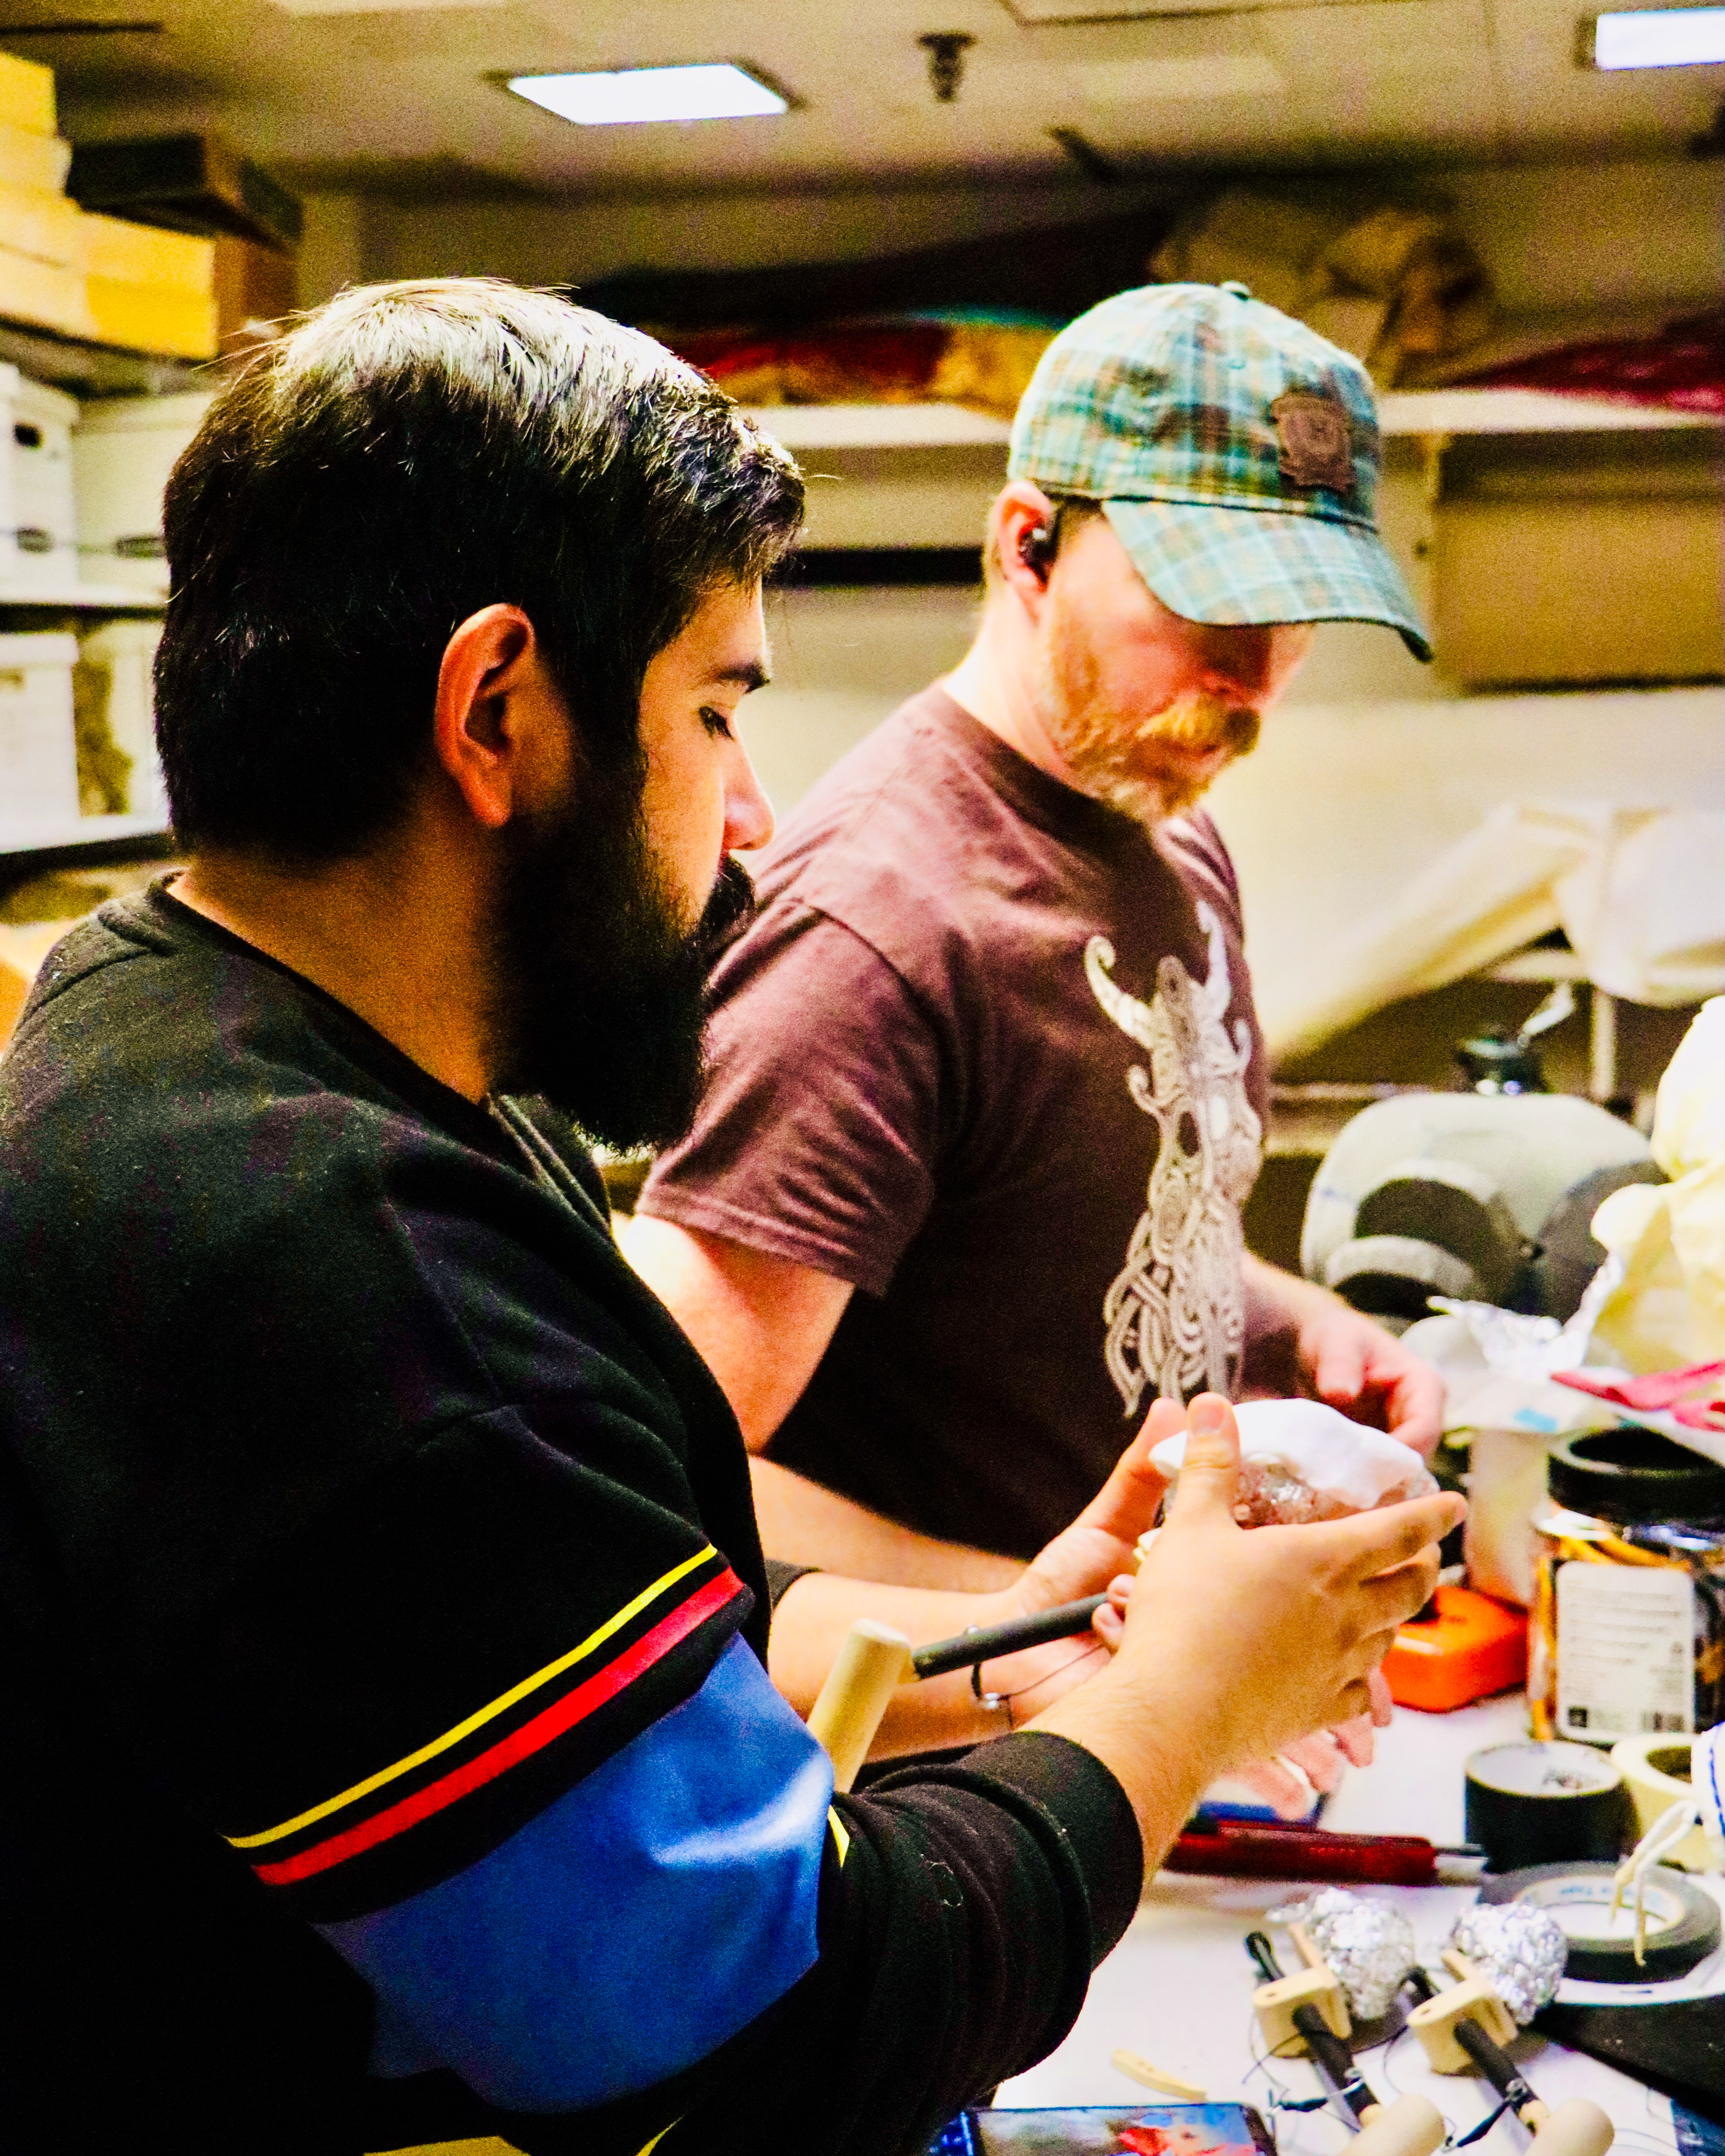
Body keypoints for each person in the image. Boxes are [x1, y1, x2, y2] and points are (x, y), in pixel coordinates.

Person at [0, 279, 1462, 2155]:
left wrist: (1027, 1634)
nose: (760, 814)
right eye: (716, 710)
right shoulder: (319, 1263)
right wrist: (1185, 1696)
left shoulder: (249, 1033)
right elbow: (790, 2039)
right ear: (498, 712)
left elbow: (580, 1595)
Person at [625, 284, 1449, 1639]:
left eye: (1297, 616)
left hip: (1127, 1712)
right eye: (1209, 607)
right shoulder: (876, 927)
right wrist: (1057, 1613)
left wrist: (1285, 1325)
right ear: (1028, 547)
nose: (1249, 677)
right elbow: (660, 1462)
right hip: (954, 1766)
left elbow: (1061, 1237)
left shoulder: (1165, 830)